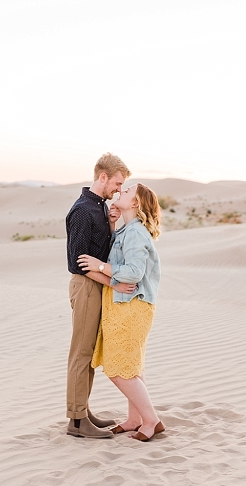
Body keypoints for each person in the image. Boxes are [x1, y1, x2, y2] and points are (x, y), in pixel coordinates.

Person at [77, 183, 164, 442]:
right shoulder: (128, 230)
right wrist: (114, 226)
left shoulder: (136, 233)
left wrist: (100, 266)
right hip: (124, 305)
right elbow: (122, 258)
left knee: (118, 369)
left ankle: (152, 420)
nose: (119, 193)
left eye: (126, 192)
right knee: (131, 366)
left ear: (136, 203)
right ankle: (134, 419)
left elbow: (134, 272)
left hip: (132, 306)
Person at [65, 153, 135, 438]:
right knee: (81, 352)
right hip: (86, 287)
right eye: (117, 183)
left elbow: (100, 252)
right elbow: (77, 263)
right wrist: (113, 283)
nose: (119, 189)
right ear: (102, 177)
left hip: (98, 286)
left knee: (90, 352)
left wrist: (111, 223)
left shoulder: (100, 208)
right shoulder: (83, 210)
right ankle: (77, 421)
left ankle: (83, 410)